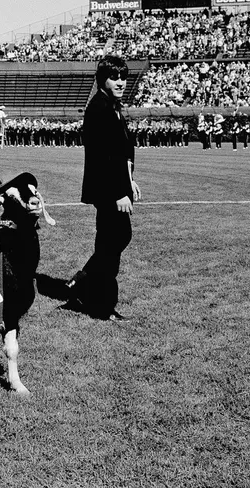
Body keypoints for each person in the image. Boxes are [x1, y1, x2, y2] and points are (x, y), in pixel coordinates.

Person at [66, 55, 141, 321]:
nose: (121, 82)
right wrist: (119, 191)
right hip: (109, 189)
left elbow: (121, 150)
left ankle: (83, 283)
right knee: (113, 241)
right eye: (115, 77)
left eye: (124, 77)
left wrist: (129, 179)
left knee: (115, 239)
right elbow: (103, 157)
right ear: (102, 80)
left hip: (117, 185)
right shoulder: (99, 107)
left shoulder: (112, 105)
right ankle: (100, 304)